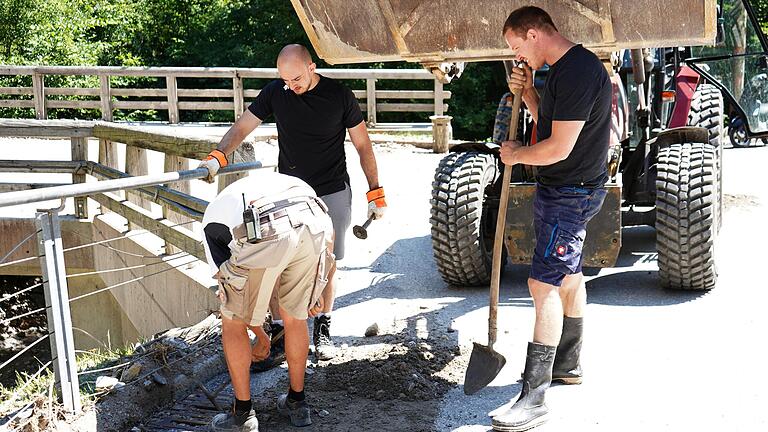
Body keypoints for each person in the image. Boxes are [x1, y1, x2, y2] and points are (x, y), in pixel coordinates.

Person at [199, 43, 386, 364]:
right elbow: (243, 126)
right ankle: (281, 332)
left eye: (297, 78)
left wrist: (375, 192)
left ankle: (323, 328)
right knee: (279, 260)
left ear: (312, 67)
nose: (292, 86)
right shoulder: (276, 92)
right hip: (289, 191)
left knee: (327, 261)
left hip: (331, 189)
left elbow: (363, 146)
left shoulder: (340, 96)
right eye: (286, 80)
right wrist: (219, 155)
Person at [491, 6, 611, 432]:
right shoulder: (561, 70)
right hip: (567, 189)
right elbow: (549, 122)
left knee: (542, 284)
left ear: (533, 34)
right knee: (569, 276)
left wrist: (517, 154)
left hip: (570, 193)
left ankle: (534, 397)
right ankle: (568, 364)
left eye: (515, 46)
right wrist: (526, 94)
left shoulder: (578, 70)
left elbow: (558, 147)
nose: (516, 55)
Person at [204, 171, 334, 431]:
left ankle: (242, 414)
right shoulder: (271, 184)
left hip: (265, 225)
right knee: (295, 316)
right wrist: (315, 290)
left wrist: (262, 339)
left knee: (231, 322)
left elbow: (234, 300)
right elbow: (270, 274)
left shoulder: (211, 228)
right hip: (315, 218)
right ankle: (297, 404)